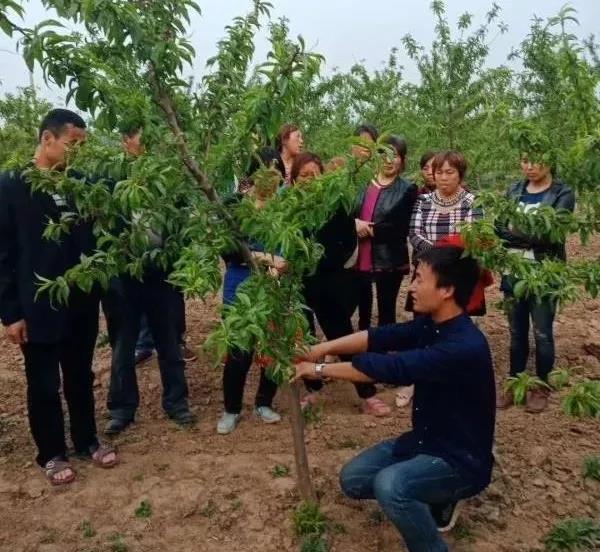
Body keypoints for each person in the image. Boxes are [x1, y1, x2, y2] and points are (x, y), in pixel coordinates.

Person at [294, 245, 496, 552]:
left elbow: (391, 367)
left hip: (461, 459)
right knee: (354, 480)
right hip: (425, 440)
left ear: (447, 290)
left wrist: (318, 368)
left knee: (392, 486)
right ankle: (434, 493)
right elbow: (382, 337)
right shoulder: (433, 325)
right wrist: (320, 348)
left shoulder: (462, 347)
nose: (411, 286)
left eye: (419, 279)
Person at [0, 109, 117, 485]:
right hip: (37, 305)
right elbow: (3, 254)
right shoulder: (12, 186)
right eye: (72, 145)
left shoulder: (80, 185)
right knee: (44, 382)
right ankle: (51, 452)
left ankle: (86, 439)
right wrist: (11, 313)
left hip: (81, 302)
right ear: (47, 139)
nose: (77, 154)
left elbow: (95, 241)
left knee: (80, 374)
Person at [103, 127, 194, 434]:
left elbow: (182, 221)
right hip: (124, 276)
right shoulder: (111, 176)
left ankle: (177, 403)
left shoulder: (166, 177)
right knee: (123, 345)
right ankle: (122, 408)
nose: (148, 142)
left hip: (162, 274)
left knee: (169, 342)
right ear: (125, 140)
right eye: (141, 136)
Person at [292, 152, 392, 417]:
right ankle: (313, 389)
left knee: (341, 336)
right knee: (303, 336)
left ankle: (366, 394)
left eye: (315, 174)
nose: (310, 180)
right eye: (304, 175)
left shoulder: (335, 204)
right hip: (297, 282)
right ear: (293, 179)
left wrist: (321, 262)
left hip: (329, 280)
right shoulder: (289, 208)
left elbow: (348, 241)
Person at [399, 150, 482, 408]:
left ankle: (455, 378)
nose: (444, 178)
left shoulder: (472, 201)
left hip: (457, 276)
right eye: (439, 172)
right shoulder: (423, 201)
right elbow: (414, 234)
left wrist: (445, 258)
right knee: (422, 326)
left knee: (456, 326)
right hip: (425, 273)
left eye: (450, 172)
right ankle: (416, 379)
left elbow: (473, 237)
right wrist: (437, 257)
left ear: (460, 175)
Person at [495, 155, 575, 413]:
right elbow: (498, 228)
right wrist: (523, 238)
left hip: (544, 272)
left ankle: (541, 385)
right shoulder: (514, 190)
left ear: (550, 162)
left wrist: (515, 235)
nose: (529, 167)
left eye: (535, 161)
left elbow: (552, 234)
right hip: (513, 271)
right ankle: (515, 382)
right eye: (524, 161)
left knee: (542, 333)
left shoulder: (562, 193)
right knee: (516, 333)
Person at [217, 147, 287, 435]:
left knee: (272, 346)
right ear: (252, 175)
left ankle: (264, 402)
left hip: (276, 283)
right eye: (264, 174)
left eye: (275, 174)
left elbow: (290, 244)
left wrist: (282, 265)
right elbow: (228, 248)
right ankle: (231, 408)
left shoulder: (285, 206)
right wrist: (264, 258)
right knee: (239, 347)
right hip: (241, 280)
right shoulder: (235, 204)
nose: (270, 181)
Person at [355, 135, 418, 331]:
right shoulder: (363, 183)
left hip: (388, 258)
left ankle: (385, 353)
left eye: (395, 156)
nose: (389, 160)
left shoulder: (407, 189)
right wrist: (355, 223)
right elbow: (349, 212)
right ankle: (362, 347)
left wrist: (369, 229)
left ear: (403, 160)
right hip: (358, 255)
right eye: (384, 154)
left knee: (386, 310)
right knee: (362, 308)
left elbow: (401, 227)